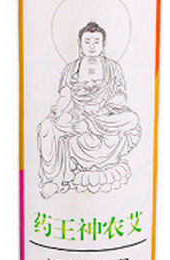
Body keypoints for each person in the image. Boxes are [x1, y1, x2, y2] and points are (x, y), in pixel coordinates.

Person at [37, 21, 141, 197]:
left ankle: (88, 125)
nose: (92, 46)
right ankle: (54, 180)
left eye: (96, 41)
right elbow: (65, 96)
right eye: (87, 41)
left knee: (132, 119)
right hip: (77, 113)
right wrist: (60, 112)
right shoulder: (71, 69)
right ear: (80, 44)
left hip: (103, 115)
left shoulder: (112, 68)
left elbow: (121, 97)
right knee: (48, 126)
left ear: (103, 44)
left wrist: (102, 106)